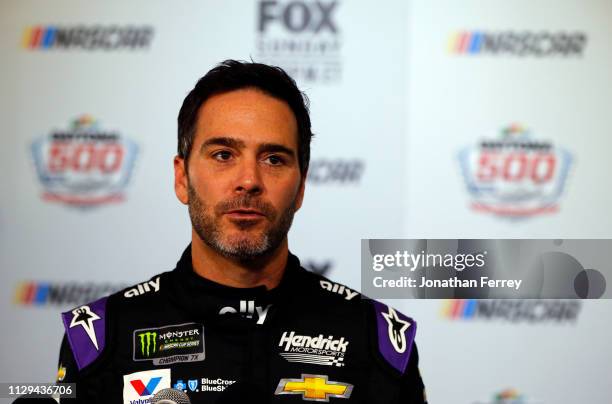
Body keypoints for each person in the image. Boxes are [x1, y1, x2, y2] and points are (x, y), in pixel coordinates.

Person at [54, 60, 427, 403]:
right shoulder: (100, 339)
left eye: (274, 159)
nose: (248, 180)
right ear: (182, 178)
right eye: (223, 155)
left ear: (300, 188)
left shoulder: (376, 339)